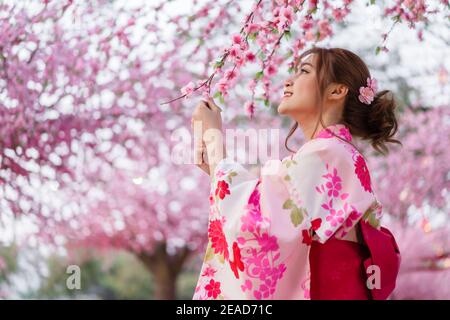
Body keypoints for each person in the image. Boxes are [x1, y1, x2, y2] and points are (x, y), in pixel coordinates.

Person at [191, 47, 401, 300]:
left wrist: (215, 142)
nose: (288, 80)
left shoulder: (329, 151)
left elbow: (255, 220)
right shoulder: (331, 152)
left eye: (304, 71)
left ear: (337, 90)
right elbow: (272, 207)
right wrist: (216, 169)